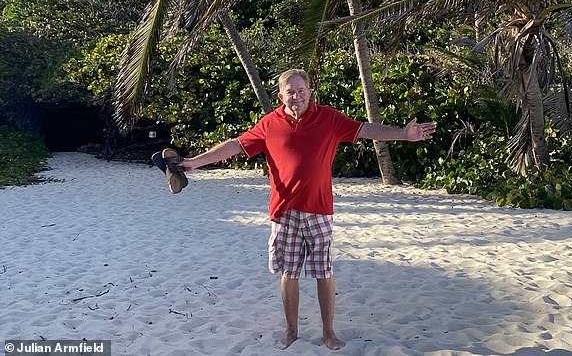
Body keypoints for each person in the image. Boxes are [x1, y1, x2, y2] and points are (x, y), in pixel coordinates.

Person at [179, 69, 436, 350]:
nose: (296, 96)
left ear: (310, 92)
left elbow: (366, 130)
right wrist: (193, 162)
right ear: (281, 96)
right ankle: (291, 330)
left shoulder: (328, 118)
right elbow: (234, 146)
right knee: (289, 273)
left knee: (323, 272)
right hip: (284, 212)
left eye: (301, 91)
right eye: (290, 91)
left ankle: (329, 332)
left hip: (319, 210)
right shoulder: (269, 124)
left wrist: (404, 134)